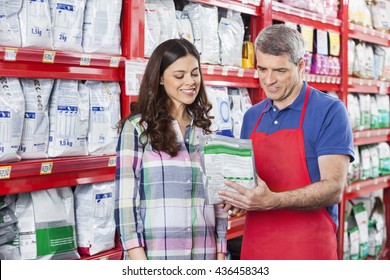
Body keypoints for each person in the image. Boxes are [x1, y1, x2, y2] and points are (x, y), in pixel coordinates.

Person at [219, 24, 354, 260]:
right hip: (257, 248)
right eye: (262, 69)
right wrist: (237, 197)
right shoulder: (252, 116)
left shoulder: (329, 111)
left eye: (280, 70)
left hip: (308, 250)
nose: (268, 80)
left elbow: (334, 188)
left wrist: (273, 201)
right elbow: (249, 181)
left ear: (301, 66)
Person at [114, 38, 228, 260]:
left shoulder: (206, 131)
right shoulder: (137, 129)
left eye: (195, 74)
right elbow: (125, 203)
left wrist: (221, 253)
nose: (190, 81)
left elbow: (218, 201)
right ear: (160, 79)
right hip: (157, 257)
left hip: (204, 255)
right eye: (179, 75)